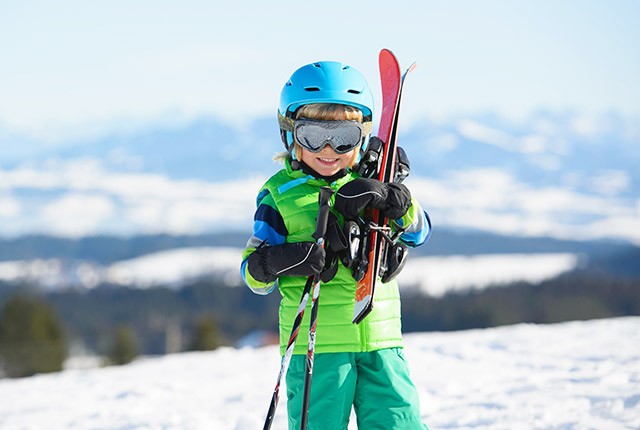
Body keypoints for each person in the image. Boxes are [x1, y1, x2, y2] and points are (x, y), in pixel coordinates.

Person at [241, 60, 431, 430]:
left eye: (343, 137)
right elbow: (253, 276)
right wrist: (284, 260)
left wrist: (401, 205)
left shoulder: (375, 184)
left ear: (362, 136)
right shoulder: (280, 196)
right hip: (319, 350)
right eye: (313, 135)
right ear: (290, 134)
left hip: (381, 340)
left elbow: (419, 234)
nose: (328, 149)